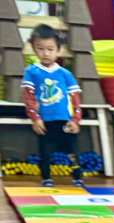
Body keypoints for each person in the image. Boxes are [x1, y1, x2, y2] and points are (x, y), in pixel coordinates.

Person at [21, 24, 85, 189]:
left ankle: (77, 178)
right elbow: (28, 97)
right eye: (40, 49)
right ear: (33, 49)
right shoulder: (31, 71)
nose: (46, 53)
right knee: (45, 152)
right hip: (44, 122)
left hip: (65, 121)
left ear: (58, 50)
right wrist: (35, 119)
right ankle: (46, 178)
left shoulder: (65, 73)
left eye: (50, 49)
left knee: (72, 151)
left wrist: (76, 120)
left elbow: (75, 98)